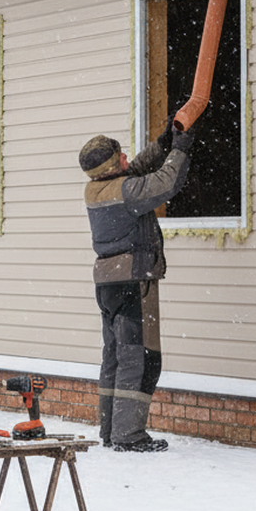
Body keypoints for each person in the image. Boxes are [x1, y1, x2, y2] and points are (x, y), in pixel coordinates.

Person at [78, 120, 193, 453]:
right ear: (113, 166)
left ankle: (111, 430)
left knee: (114, 357)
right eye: (121, 155)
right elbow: (165, 182)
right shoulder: (126, 192)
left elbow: (138, 169)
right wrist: (180, 149)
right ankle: (129, 435)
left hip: (107, 283)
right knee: (140, 359)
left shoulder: (97, 189)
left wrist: (163, 142)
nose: (127, 157)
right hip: (132, 282)